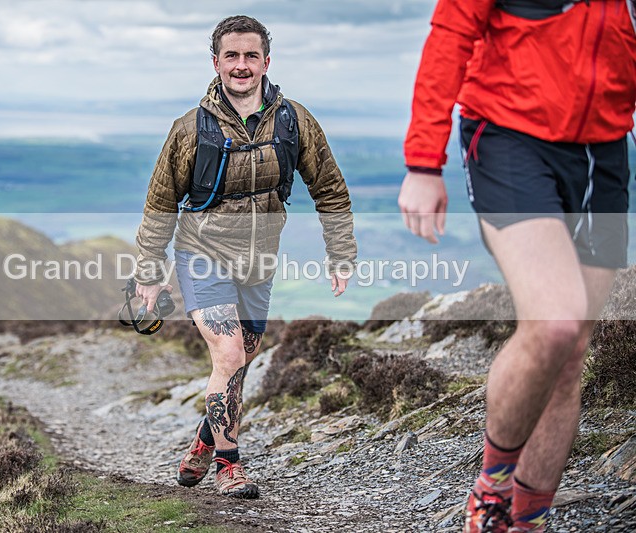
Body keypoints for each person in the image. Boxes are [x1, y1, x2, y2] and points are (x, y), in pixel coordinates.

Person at [399, 1, 635, 531]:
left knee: (572, 353)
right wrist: (423, 161)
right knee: (555, 324)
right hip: (510, 137)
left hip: (605, 153)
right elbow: (451, 33)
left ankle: (527, 521)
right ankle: (493, 490)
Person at [132, 15, 357, 499]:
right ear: (216, 62)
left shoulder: (293, 120)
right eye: (231, 56)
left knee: (238, 363)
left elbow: (331, 188)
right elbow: (160, 202)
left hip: (259, 263)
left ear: (266, 62)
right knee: (230, 355)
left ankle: (201, 442)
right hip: (201, 256)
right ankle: (229, 466)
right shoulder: (190, 129)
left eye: (250, 55)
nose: (241, 65)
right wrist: (149, 274)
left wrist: (340, 253)